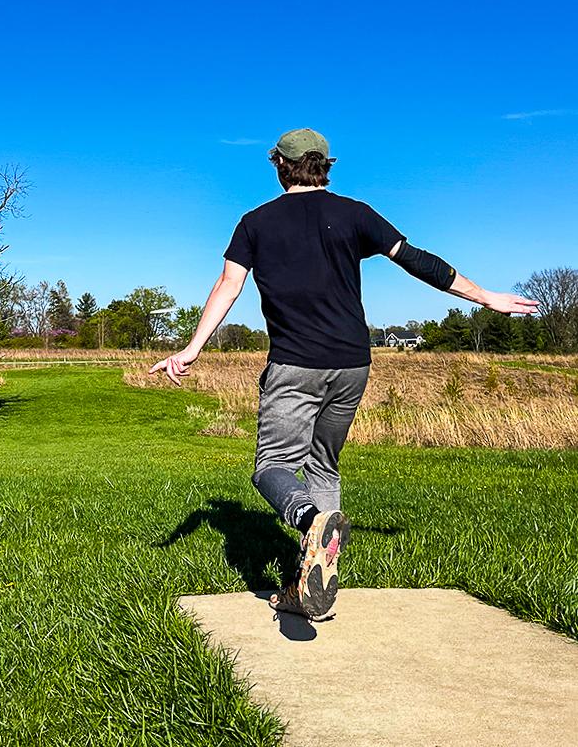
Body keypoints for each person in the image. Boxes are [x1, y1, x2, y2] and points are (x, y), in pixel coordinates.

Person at [148, 128, 538, 620]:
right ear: (324, 166)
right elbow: (417, 262)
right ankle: (315, 579)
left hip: (295, 364)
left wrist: (191, 349)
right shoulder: (355, 213)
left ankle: (311, 522)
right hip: (354, 363)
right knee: (323, 467)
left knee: (271, 467)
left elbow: (229, 284)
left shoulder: (256, 223)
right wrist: (486, 297)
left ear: (280, 166)